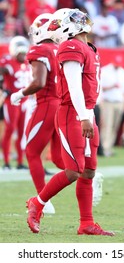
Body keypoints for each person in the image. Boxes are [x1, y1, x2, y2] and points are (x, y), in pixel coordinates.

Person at [25, 8, 114, 236]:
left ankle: (86, 223)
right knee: (74, 170)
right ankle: (38, 202)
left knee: (89, 172)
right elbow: (73, 85)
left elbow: (90, 86)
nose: (55, 30)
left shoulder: (88, 48)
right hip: (72, 113)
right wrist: (85, 116)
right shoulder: (70, 46)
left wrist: (90, 114)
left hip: (86, 112)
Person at [10, 13, 64, 214]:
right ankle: (89, 177)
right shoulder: (61, 48)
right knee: (60, 159)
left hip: (46, 104)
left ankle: (43, 200)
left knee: (32, 152)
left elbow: (39, 82)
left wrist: (20, 93)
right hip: (62, 105)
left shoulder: (39, 50)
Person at [0, 35, 31, 170]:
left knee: (22, 132)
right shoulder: (8, 62)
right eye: (20, 53)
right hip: (11, 102)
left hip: (24, 102)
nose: (23, 55)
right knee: (10, 129)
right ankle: (6, 162)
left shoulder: (27, 64)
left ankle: (19, 161)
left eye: (24, 53)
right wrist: (3, 88)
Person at [100, 57, 124, 157]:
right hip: (108, 101)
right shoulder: (105, 71)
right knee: (107, 125)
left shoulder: (122, 72)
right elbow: (99, 87)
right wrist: (111, 86)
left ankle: (110, 146)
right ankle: (105, 147)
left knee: (115, 126)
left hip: (119, 102)